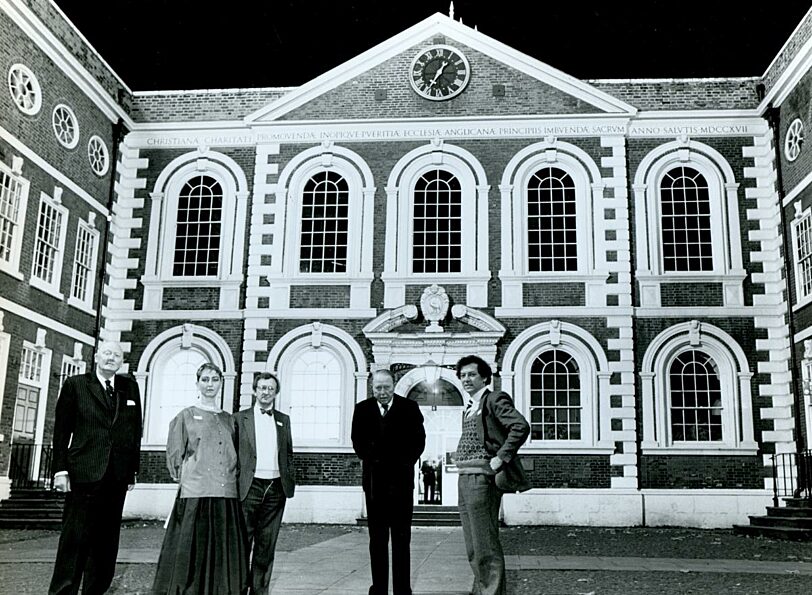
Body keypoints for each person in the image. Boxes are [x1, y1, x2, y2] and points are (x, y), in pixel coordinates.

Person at [49, 340, 142, 595]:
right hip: (83, 473)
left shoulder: (129, 387)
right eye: (107, 353)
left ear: (121, 361)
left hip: (116, 476)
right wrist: (60, 470)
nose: (111, 358)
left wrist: (132, 469)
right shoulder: (75, 386)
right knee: (74, 541)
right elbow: (61, 432)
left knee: (106, 542)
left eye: (117, 355)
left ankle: (95, 591)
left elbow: (135, 430)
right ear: (97, 356)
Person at [152, 362, 249, 595]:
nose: (210, 385)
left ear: (221, 384)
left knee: (222, 551)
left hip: (225, 495)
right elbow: (175, 458)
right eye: (205, 380)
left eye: (214, 380)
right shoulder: (185, 416)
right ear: (197, 383)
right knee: (192, 550)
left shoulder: (230, 419)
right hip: (195, 493)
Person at [454, 355, 530, 595]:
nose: (466, 379)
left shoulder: (494, 399)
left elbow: (520, 426)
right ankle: (483, 589)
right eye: (463, 375)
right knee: (473, 546)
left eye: (471, 374)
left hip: (482, 479)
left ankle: (492, 592)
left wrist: (502, 457)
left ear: (484, 377)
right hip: (465, 477)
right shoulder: (469, 406)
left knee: (485, 543)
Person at [351, 369, 426, 595]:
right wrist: (376, 460)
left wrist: (401, 463)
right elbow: (358, 442)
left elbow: (419, 442)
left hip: (402, 484)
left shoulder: (409, 409)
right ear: (372, 387)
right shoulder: (362, 409)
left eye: (386, 387)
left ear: (393, 385)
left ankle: (402, 589)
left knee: (402, 539)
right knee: (378, 540)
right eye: (377, 388)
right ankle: (379, 588)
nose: (382, 392)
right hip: (374, 485)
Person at [234, 372, 296, 594]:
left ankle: (260, 591)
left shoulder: (283, 419)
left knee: (266, 546)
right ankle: (239, 589)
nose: (266, 392)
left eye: (270, 388)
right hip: (248, 488)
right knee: (242, 544)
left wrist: (289, 478)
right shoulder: (239, 419)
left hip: (276, 489)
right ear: (254, 390)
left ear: (276, 392)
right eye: (262, 388)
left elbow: (288, 452)